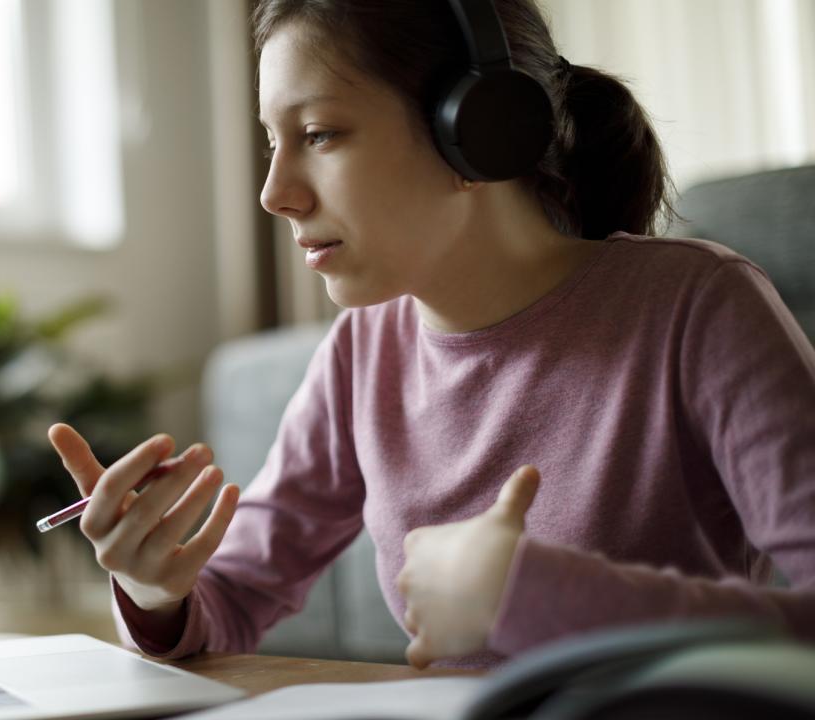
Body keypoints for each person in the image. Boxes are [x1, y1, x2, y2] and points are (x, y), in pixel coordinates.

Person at [47, 0, 815, 670]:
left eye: (317, 133)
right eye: (271, 141)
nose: (274, 194)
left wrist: (550, 598)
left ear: (477, 132)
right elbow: (235, 599)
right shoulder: (360, 353)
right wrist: (156, 588)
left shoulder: (697, 307)